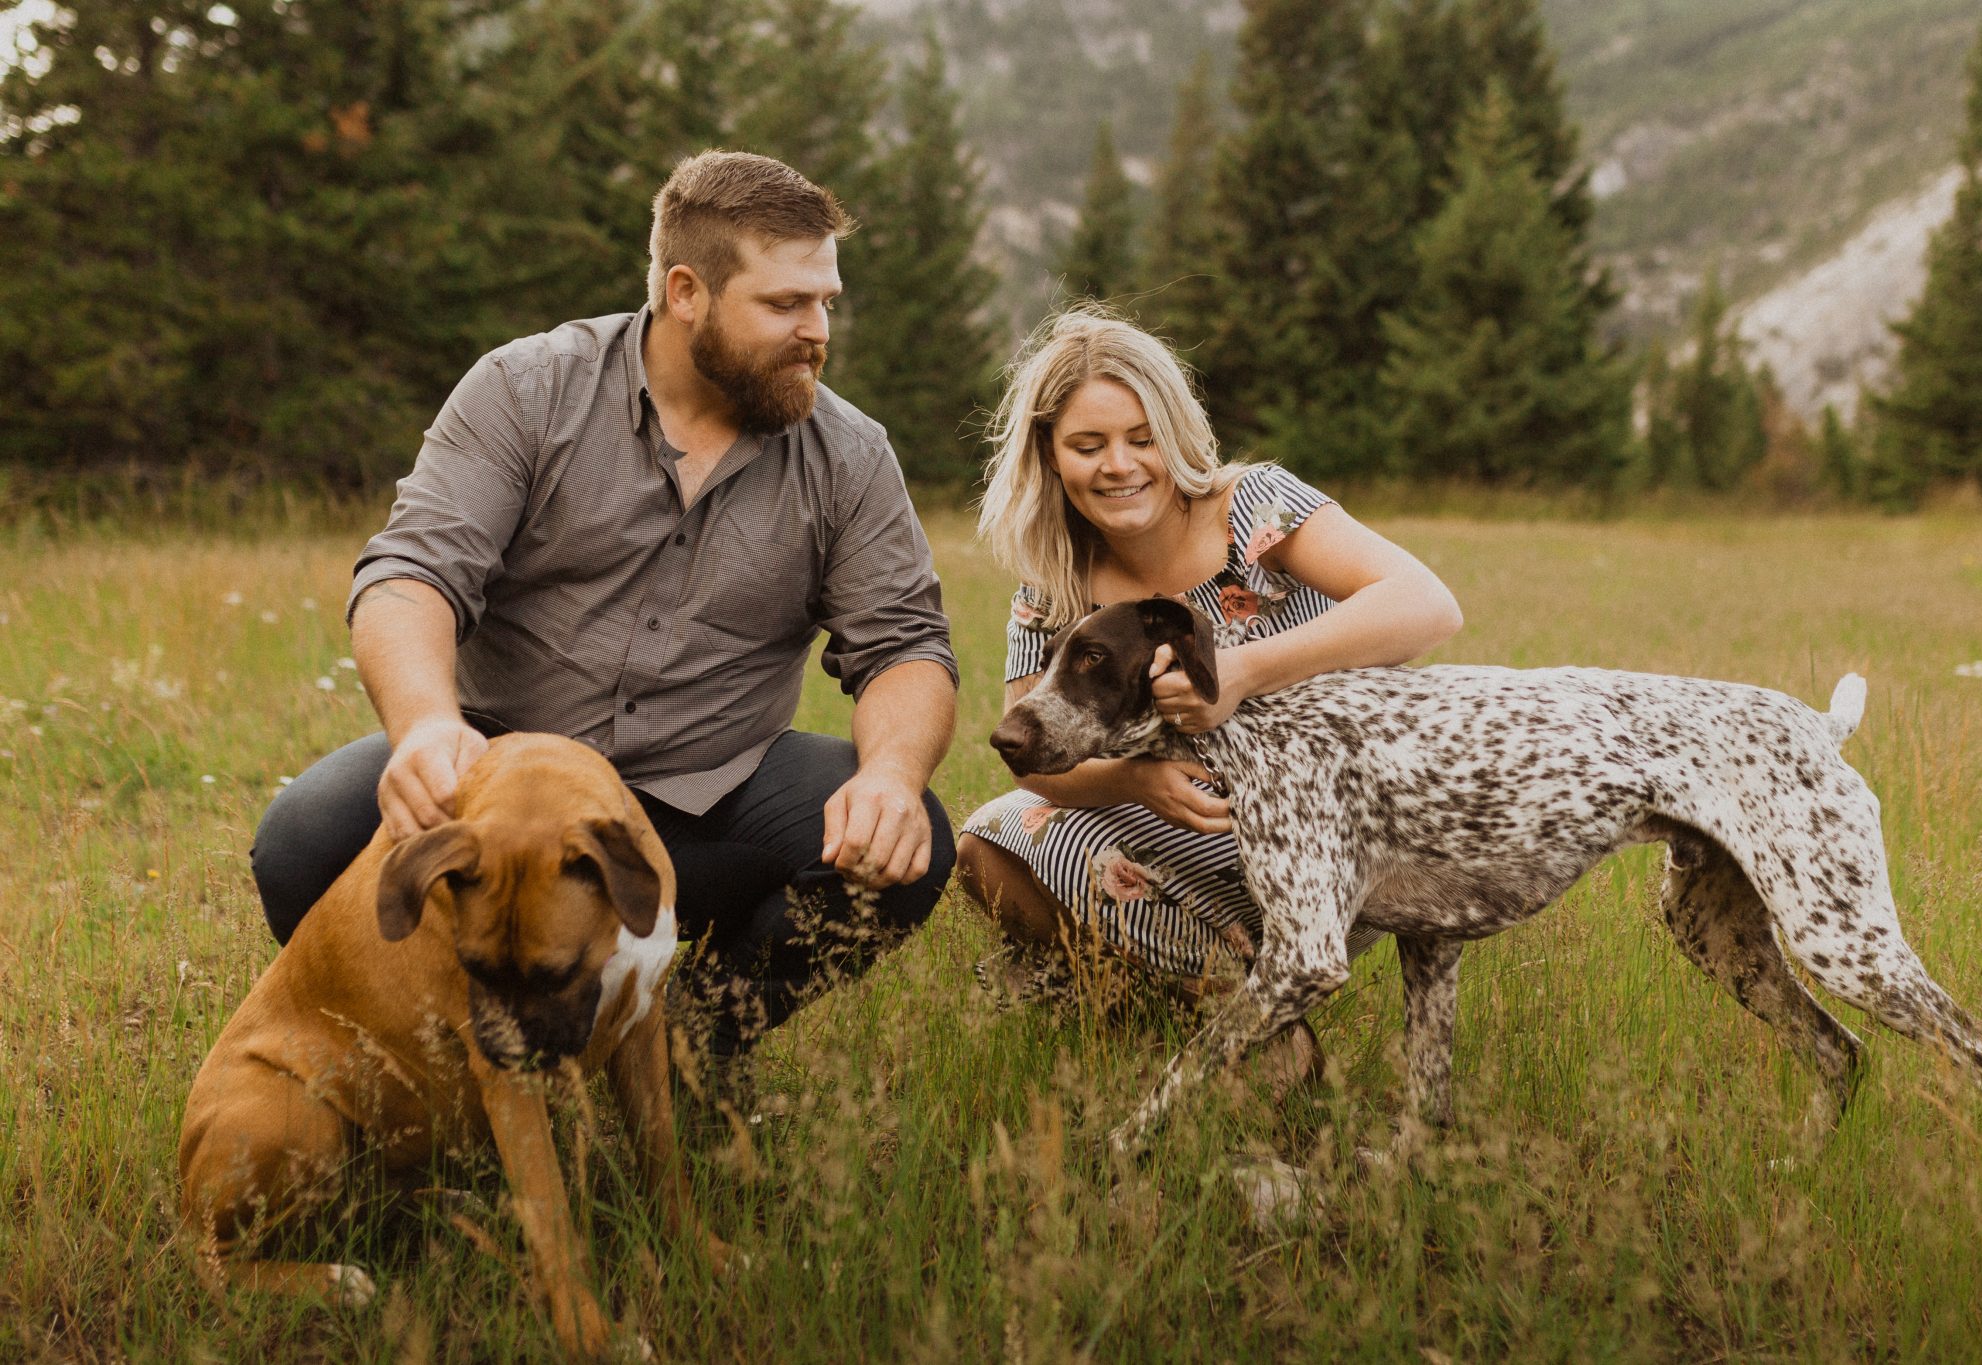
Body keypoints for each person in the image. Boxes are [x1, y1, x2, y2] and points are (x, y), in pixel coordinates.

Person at [252, 151, 959, 1060]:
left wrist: (893, 776)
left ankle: (690, 1048)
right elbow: (412, 572)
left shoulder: (850, 455)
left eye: (826, 300)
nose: (817, 330)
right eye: (785, 304)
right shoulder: (526, 389)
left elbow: (906, 645)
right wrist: (427, 726)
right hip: (502, 783)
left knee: (908, 846)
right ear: (686, 292)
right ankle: (444, 1053)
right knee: (305, 839)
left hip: (711, 803)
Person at [957, 307, 1461, 1070]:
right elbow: (1028, 754)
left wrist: (1239, 674)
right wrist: (1137, 781)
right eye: (1087, 445)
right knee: (993, 838)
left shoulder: (1255, 507)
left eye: (1142, 437)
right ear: (1050, 455)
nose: (1119, 465)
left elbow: (1428, 604)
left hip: (1332, 837)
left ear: (1177, 433)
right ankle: (1240, 1024)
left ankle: (1246, 1027)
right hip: (1191, 829)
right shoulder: (1056, 577)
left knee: (1019, 837)